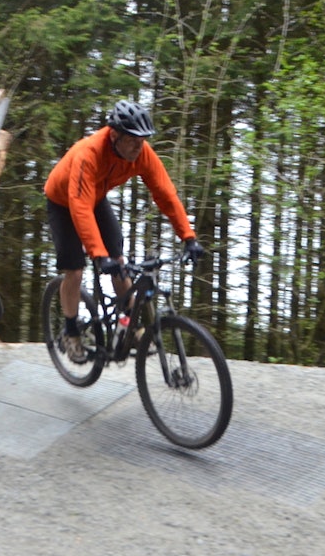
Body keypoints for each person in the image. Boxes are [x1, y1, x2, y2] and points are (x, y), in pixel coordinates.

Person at [43, 99, 205, 362]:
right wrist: (97, 254)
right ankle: (71, 332)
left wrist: (188, 237)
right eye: (132, 141)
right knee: (74, 269)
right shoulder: (89, 153)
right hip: (64, 202)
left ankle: (132, 326)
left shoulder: (141, 153)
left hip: (94, 198)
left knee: (119, 262)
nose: (138, 147)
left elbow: (165, 194)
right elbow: (79, 207)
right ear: (114, 136)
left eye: (142, 141)